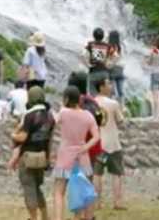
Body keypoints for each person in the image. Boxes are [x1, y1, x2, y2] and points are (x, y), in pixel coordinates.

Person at [53, 86, 100, 220]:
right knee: (82, 190)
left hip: (65, 157)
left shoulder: (63, 113)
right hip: (82, 157)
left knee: (59, 192)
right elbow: (96, 136)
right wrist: (85, 146)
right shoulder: (87, 115)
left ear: (66, 98)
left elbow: (53, 123)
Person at [11, 87, 54, 220]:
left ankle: (33, 217)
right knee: (37, 187)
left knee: (29, 188)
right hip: (42, 157)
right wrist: (48, 158)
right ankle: (45, 216)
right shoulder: (50, 116)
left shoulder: (29, 116)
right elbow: (50, 140)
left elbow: (23, 137)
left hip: (28, 157)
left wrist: (13, 135)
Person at [93, 78, 126, 211]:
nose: (111, 86)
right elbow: (120, 121)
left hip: (98, 144)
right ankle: (117, 202)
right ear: (101, 87)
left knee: (97, 174)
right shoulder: (113, 103)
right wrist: (123, 112)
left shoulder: (92, 103)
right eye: (108, 84)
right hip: (113, 143)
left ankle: (97, 202)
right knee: (116, 173)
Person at [83, 28, 111, 96]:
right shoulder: (107, 46)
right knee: (105, 94)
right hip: (104, 72)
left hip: (94, 72)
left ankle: (96, 104)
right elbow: (112, 57)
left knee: (93, 95)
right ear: (103, 36)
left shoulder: (91, 44)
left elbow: (83, 55)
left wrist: (88, 65)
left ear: (93, 35)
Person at [145, 36, 159, 119]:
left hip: (154, 73)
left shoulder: (153, 52)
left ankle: (155, 115)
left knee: (155, 96)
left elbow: (149, 62)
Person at [107, 30, 125, 102]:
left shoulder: (110, 47)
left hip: (112, 68)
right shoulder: (121, 46)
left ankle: (112, 105)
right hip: (120, 68)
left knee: (112, 90)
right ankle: (122, 107)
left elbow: (109, 58)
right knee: (120, 90)